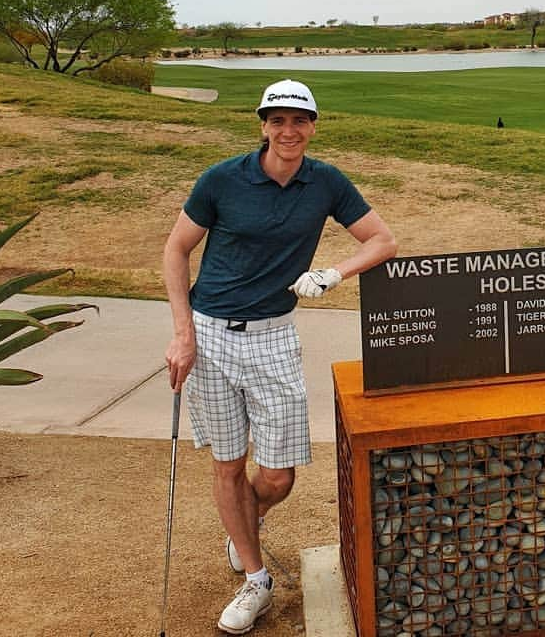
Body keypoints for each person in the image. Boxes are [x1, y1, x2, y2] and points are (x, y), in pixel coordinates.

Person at [163, 78, 396, 635]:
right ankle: (256, 577)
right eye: (277, 120)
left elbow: (382, 241)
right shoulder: (222, 179)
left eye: (299, 120)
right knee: (227, 463)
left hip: (273, 335)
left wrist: (332, 273)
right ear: (262, 125)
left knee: (278, 475)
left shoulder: (326, 182)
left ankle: (248, 519)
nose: (288, 130)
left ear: (313, 126)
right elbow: (176, 249)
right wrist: (181, 334)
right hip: (210, 332)